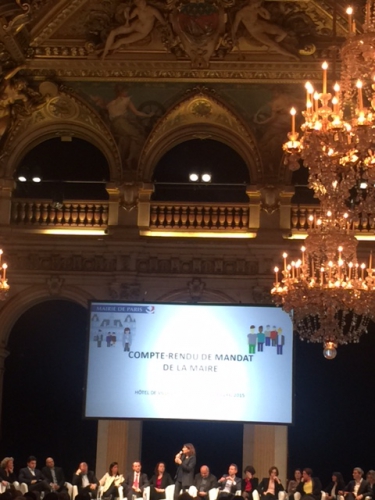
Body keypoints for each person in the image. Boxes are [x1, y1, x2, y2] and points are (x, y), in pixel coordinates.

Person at [101, 0, 166, 59]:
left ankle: (104, 50)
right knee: (113, 32)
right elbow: (129, 18)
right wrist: (126, 12)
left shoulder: (153, 10)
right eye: (138, 2)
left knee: (121, 41)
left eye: (141, 1)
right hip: (135, 25)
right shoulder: (137, 10)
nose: (141, 3)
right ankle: (104, 53)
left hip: (143, 32)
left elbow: (163, 21)